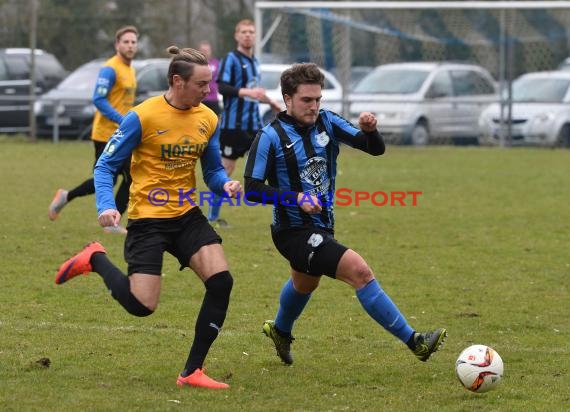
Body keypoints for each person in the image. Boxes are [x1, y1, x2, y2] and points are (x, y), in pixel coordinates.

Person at [54, 46, 242, 389]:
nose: (208, 91)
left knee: (221, 282)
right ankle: (95, 258)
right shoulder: (142, 117)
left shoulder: (208, 118)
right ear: (177, 81)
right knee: (142, 306)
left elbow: (212, 170)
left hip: (187, 216)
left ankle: (192, 372)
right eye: (201, 84)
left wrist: (225, 184)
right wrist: (106, 205)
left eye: (209, 84)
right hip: (148, 220)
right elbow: (106, 166)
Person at [244, 62, 447, 367]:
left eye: (317, 100)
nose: (314, 107)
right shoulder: (270, 137)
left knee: (304, 284)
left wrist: (370, 131)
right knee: (360, 272)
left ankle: (280, 330)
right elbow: (251, 188)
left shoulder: (327, 122)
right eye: (306, 100)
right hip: (291, 231)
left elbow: (373, 149)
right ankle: (415, 341)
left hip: (323, 225)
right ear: (287, 99)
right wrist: (295, 197)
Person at [48, 25, 139, 234]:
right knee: (108, 178)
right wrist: (121, 119)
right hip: (105, 134)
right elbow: (98, 99)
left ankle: (109, 220)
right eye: (126, 41)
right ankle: (69, 198)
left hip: (123, 133)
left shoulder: (131, 69)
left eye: (133, 42)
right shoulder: (110, 68)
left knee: (131, 177)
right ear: (117, 45)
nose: (130, 45)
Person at [207, 18, 281, 228]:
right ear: (237, 36)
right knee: (226, 170)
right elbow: (222, 87)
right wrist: (249, 92)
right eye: (244, 32)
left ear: (255, 36)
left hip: (253, 125)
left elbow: (256, 92)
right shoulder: (231, 59)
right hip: (233, 126)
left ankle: (283, 212)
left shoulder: (255, 62)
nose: (248, 35)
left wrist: (273, 103)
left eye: (251, 32)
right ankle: (212, 217)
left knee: (274, 165)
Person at [198, 40, 221, 115]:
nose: (205, 52)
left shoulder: (216, 63)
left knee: (216, 121)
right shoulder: (194, 64)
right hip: (199, 99)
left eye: (207, 50)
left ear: (210, 51)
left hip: (213, 98)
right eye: (203, 50)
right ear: (199, 51)